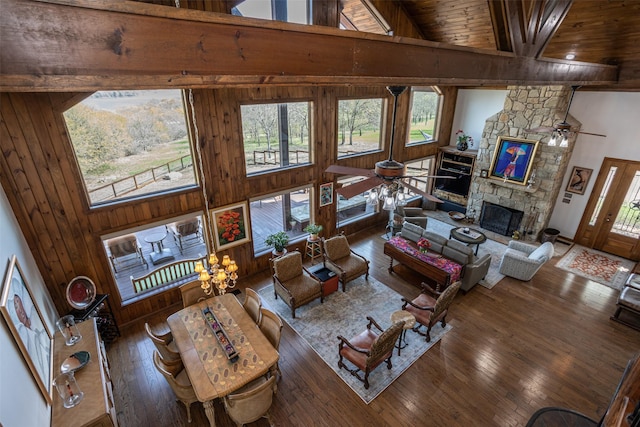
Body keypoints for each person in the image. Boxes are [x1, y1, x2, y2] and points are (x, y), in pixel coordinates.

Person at [11, 283, 50, 386]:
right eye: (16, 307)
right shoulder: (25, 337)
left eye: (19, 303)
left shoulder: (35, 317)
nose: (20, 310)